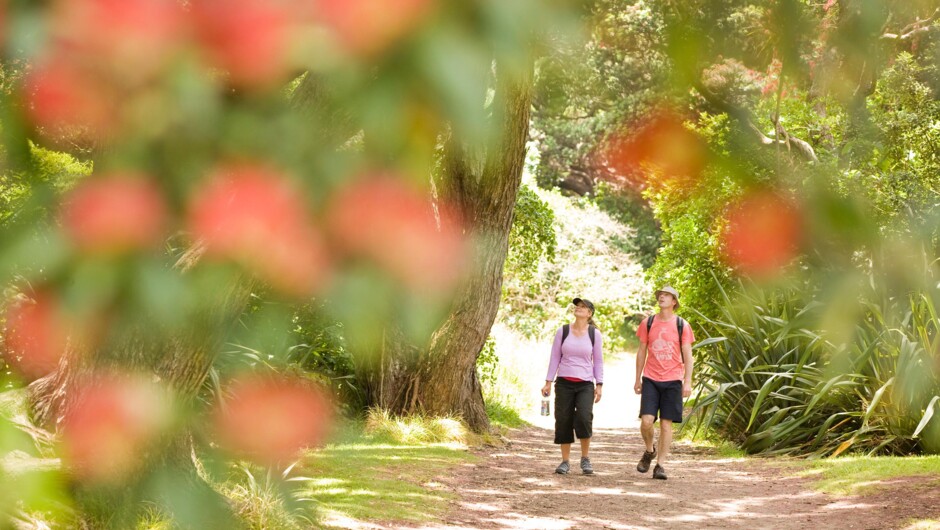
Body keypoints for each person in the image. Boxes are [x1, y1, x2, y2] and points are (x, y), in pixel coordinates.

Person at [634, 286, 694, 480]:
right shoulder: (648, 323)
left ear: (674, 301)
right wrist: (637, 378)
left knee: (666, 425)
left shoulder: (682, 325)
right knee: (647, 421)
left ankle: (660, 464)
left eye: (666, 295)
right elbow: (642, 351)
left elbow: (688, 355)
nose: (661, 297)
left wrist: (687, 382)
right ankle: (649, 450)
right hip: (651, 378)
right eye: (660, 295)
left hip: (673, 380)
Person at [541, 297, 604, 475]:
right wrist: (548, 381)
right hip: (563, 383)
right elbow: (555, 357)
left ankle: (585, 458)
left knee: (584, 418)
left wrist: (599, 384)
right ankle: (565, 461)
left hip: (585, 383)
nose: (578, 308)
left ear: (589, 313)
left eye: (583, 307)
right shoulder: (563, 331)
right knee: (563, 420)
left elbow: (598, 361)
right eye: (577, 306)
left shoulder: (594, 334)